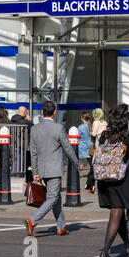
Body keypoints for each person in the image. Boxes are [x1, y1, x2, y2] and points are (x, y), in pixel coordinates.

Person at [90, 104, 129, 257]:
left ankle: (128, 246)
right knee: (116, 214)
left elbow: (97, 157)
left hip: (105, 179)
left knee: (117, 213)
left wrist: (91, 179)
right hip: (121, 179)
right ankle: (105, 251)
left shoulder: (105, 134)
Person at [24, 101, 83, 237]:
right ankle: (32, 221)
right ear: (55, 112)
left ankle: (61, 226)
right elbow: (67, 148)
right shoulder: (59, 128)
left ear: (42, 112)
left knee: (56, 197)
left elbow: (32, 152)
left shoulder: (35, 129)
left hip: (42, 169)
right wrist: (76, 162)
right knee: (52, 198)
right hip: (54, 169)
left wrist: (35, 172)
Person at [11, 106, 34, 179]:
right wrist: (29, 121)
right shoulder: (25, 122)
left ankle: (13, 175)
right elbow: (33, 128)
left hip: (13, 144)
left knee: (15, 161)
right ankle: (20, 177)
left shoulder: (12, 120)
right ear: (24, 113)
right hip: (22, 145)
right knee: (21, 163)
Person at [78, 112, 95, 191]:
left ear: (82, 118)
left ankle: (78, 168)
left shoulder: (81, 127)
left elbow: (77, 136)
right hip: (90, 146)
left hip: (82, 147)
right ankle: (93, 173)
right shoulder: (90, 125)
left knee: (76, 159)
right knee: (91, 162)